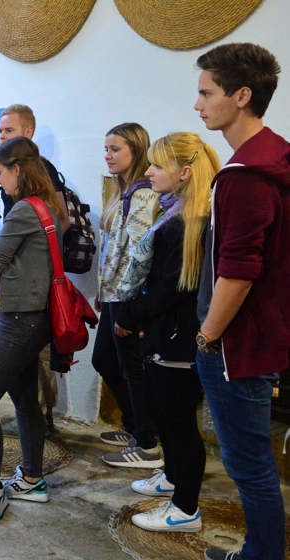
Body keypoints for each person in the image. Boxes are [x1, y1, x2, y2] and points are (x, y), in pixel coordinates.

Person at [194, 43, 289, 560]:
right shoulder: (275, 153)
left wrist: (207, 335)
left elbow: (238, 272)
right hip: (263, 334)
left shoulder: (245, 176)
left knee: (249, 465)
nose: (199, 104)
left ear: (242, 96)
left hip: (238, 344)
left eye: (207, 93)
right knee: (252, 462)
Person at [114, 133, 219, 534]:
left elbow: (175, 287)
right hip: (164, 335)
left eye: (157, 165)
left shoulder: (192, 222)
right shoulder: (174, 214)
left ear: (184, 172)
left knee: (178, 424)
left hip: (179, 339)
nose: (149, 171)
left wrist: (133, 315)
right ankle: (173, 478)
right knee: (161, 411)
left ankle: (185, 509)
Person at [0, 136, 66, 522]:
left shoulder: (24, 209)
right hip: (33, 317)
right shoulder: (47, 204)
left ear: (18, 170)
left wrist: (3, 268)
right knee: (25, 400)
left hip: (20, 319)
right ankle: (32, 479)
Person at [94, 123, 162, 469]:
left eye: (115, 149)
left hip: (127, 297)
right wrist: (102, 290)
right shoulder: (124, 191)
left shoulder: (143, 194)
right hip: (114, 294)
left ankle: (147, 444)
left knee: (132, 367)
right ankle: (136, 427)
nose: (108, 156)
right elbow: (111, 248)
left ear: (136, 150)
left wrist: (127, 304)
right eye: (106, 149)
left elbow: (138, 253)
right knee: (105, 360)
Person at [0, 104, 66, 436]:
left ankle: (41, 418)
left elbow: (59, 221)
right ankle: (34, 418)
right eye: (0, 131)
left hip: (34, 291)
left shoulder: (41, 174)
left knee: (37, 357)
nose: (2, 136)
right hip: (21, 287)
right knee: (27, 363)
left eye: (8, 131)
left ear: (28, 133)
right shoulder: (16, 181)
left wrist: (29, 264)